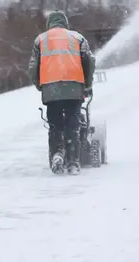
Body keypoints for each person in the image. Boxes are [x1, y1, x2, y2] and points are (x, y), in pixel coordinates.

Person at [28, 11, 95, 175]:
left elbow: (32, 66)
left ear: (49, 24)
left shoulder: (40, 40)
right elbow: (89, 60)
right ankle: (73, 162)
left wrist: (39, 84)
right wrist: (87, 84)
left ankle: (57, 154)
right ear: (65, 23)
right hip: (74, 86)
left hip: (51, 89)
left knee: (55, 125)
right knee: (73, 124)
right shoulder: (77, 38)